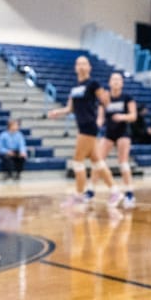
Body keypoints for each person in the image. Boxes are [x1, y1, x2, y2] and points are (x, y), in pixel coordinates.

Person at [47, 55, 119, 207]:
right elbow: (70, 108)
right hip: (82, 126)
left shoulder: (93, 84)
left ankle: (79, 195)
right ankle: (115, 191)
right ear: (75, 67)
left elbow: (105, 102)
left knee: (78, 162)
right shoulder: (74, 89)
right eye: (78, 64)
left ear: (89, 67)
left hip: (88, 126)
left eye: (84, 63)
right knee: (98, 162)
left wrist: (106, 100)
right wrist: (57, 112)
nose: (81, 66)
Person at [97, 72, 137, 208]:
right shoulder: (104, 99)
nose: (115, 81)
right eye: (113, 79)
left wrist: (122, 117)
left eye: (118, 79)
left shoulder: (127, 98)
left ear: (122, 83)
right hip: (108, 133)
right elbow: (100, 118)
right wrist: (97, 123)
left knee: (123, 163)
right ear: (109, 82)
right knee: (98, 161)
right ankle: (95, 190)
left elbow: (133, 116)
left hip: (123, 133)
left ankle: (130, 194)